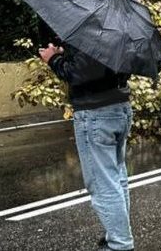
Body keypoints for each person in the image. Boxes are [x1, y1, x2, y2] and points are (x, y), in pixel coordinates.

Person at [40, 42, 135, 251]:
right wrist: (69, 52)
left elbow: (80, 73)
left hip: (95, 113)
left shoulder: (91, 32)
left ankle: (120, 245)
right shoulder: (115, 28)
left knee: (103, 185)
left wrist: (53, 59)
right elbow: (99, 64)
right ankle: (117, 237)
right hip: (120, 107)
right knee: (117, 177)